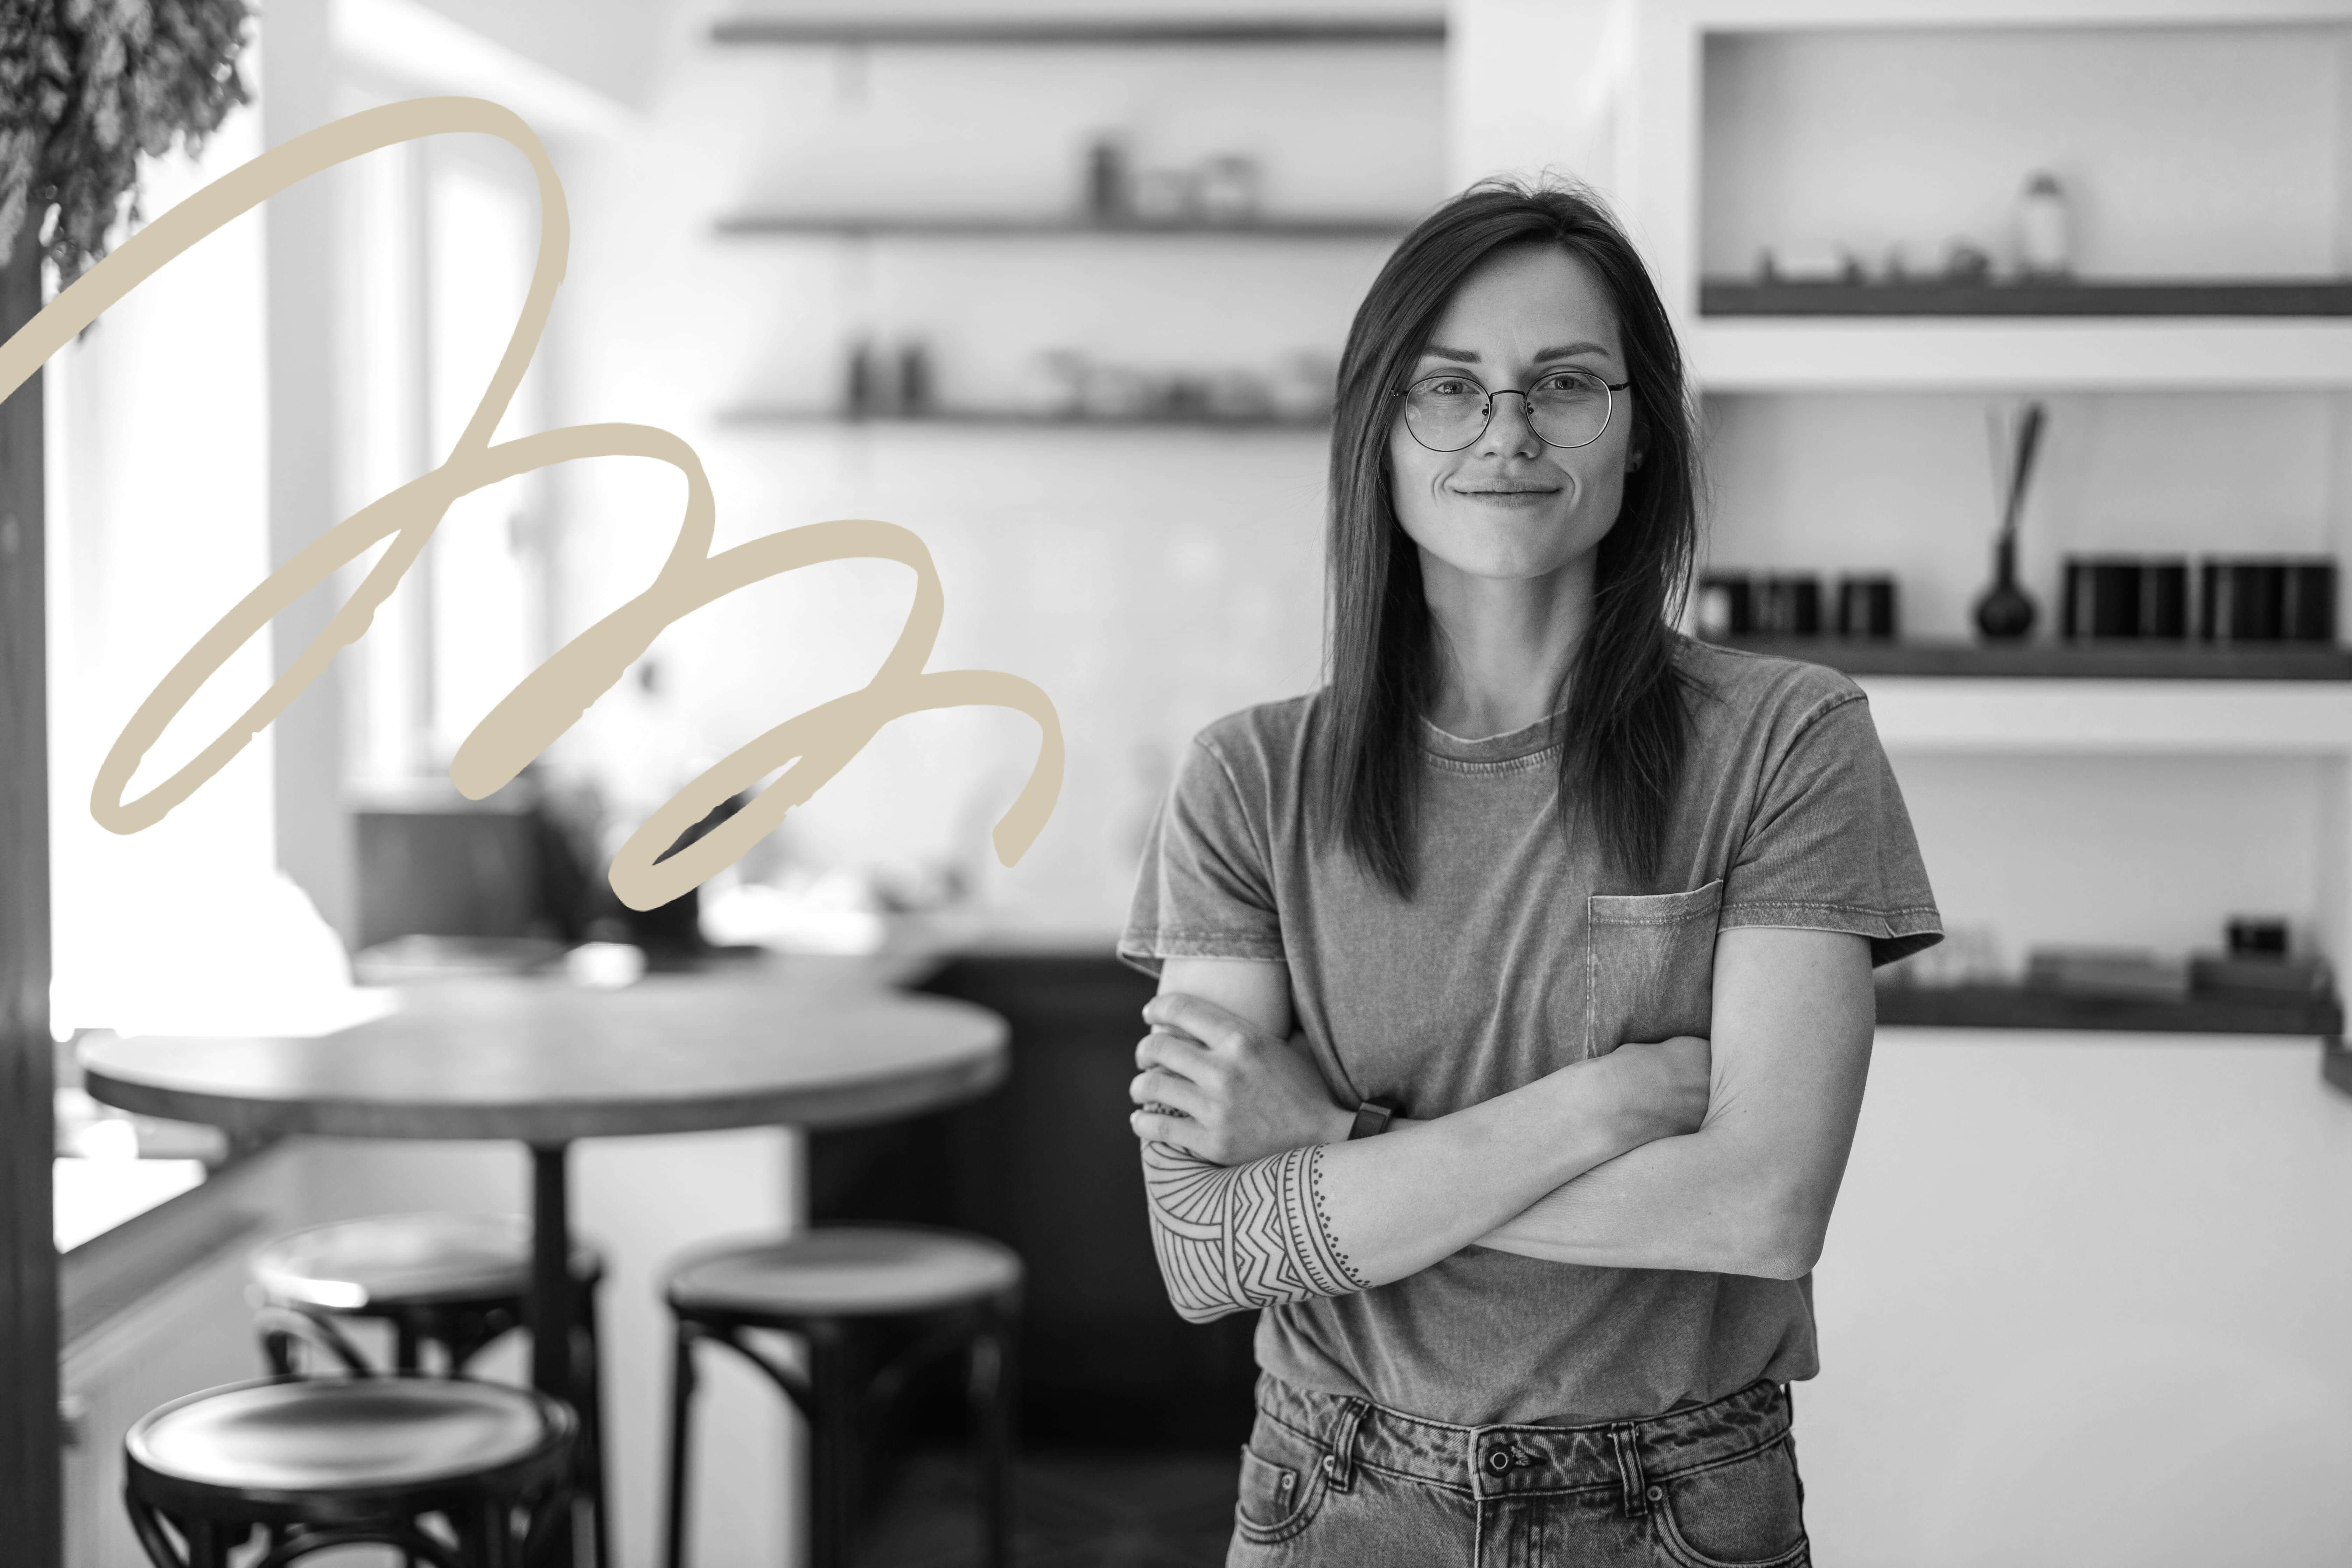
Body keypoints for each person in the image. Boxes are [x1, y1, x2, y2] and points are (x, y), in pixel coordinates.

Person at [1116, 178, 1941, 1567]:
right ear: (1378, 436)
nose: (1507, 430)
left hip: (1678, 1505)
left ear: (1640, 440)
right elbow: (1206, 1249)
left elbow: (1759, 1207)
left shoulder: (1788, 740)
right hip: (1337, 1489)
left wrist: (1333, 1148)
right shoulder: (1246, 780)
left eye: (1565, 383)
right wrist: (1598, 1110)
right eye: (1451, 388)